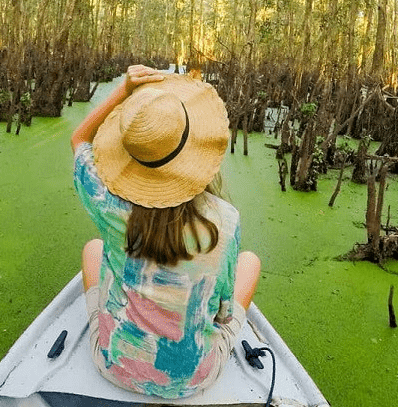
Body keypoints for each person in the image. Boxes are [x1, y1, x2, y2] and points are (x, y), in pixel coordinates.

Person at [71, 64, 261, 399]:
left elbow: (79, 139)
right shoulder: (226, 221)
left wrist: (123, 90)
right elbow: (223, 310)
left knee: (92, 248)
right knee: (250, 262)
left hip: (115, 367)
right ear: (195, 149)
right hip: (193, 381)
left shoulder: (106, 203)